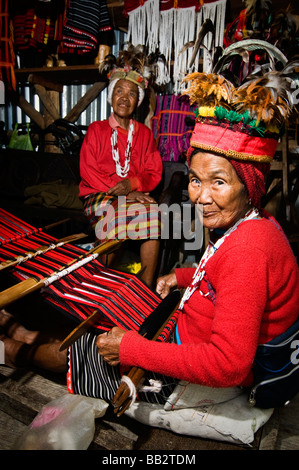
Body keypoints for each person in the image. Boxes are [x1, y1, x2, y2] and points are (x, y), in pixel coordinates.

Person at [1, 70, 299, 410]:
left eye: (218, 182)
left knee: (82, 349)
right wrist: (181, 276)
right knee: (102, 320)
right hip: (179, 318)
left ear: (250, 187)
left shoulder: (248, 250)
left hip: (188, 365)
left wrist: (130, 349)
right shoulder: (255, 224)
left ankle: (9, 350)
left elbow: (228, 365)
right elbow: (223, 277)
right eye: (195, 180)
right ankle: (22, 334)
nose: (201, 197)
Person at [79, 47, 163, 288]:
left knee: (154, 213)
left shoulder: (145, 134)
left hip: (132, 194)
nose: (124, 98)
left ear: (138, 101)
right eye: (119, 91)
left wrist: (133, 184)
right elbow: (89, 171)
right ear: (111, 96)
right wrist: (124, 191)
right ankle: (100, 283)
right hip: (98, 195)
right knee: (116, 215)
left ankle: (145, 290)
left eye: (131, 94)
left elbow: (153, 171)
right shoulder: (96, 130)